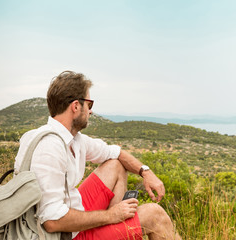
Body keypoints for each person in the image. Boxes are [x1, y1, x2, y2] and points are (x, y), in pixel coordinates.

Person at [14, 70, 181, 240]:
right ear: (76, 106)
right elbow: (52, 221)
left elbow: (115, 153)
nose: (91, 111)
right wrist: (111, 215)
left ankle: (116, 231)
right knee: (155, 216)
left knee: (115, 164)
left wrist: (145, 172)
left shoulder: (70, 138)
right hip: (61, 234)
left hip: (69, 215)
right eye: (89, 104)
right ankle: (116, 227)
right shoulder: (49, 148)